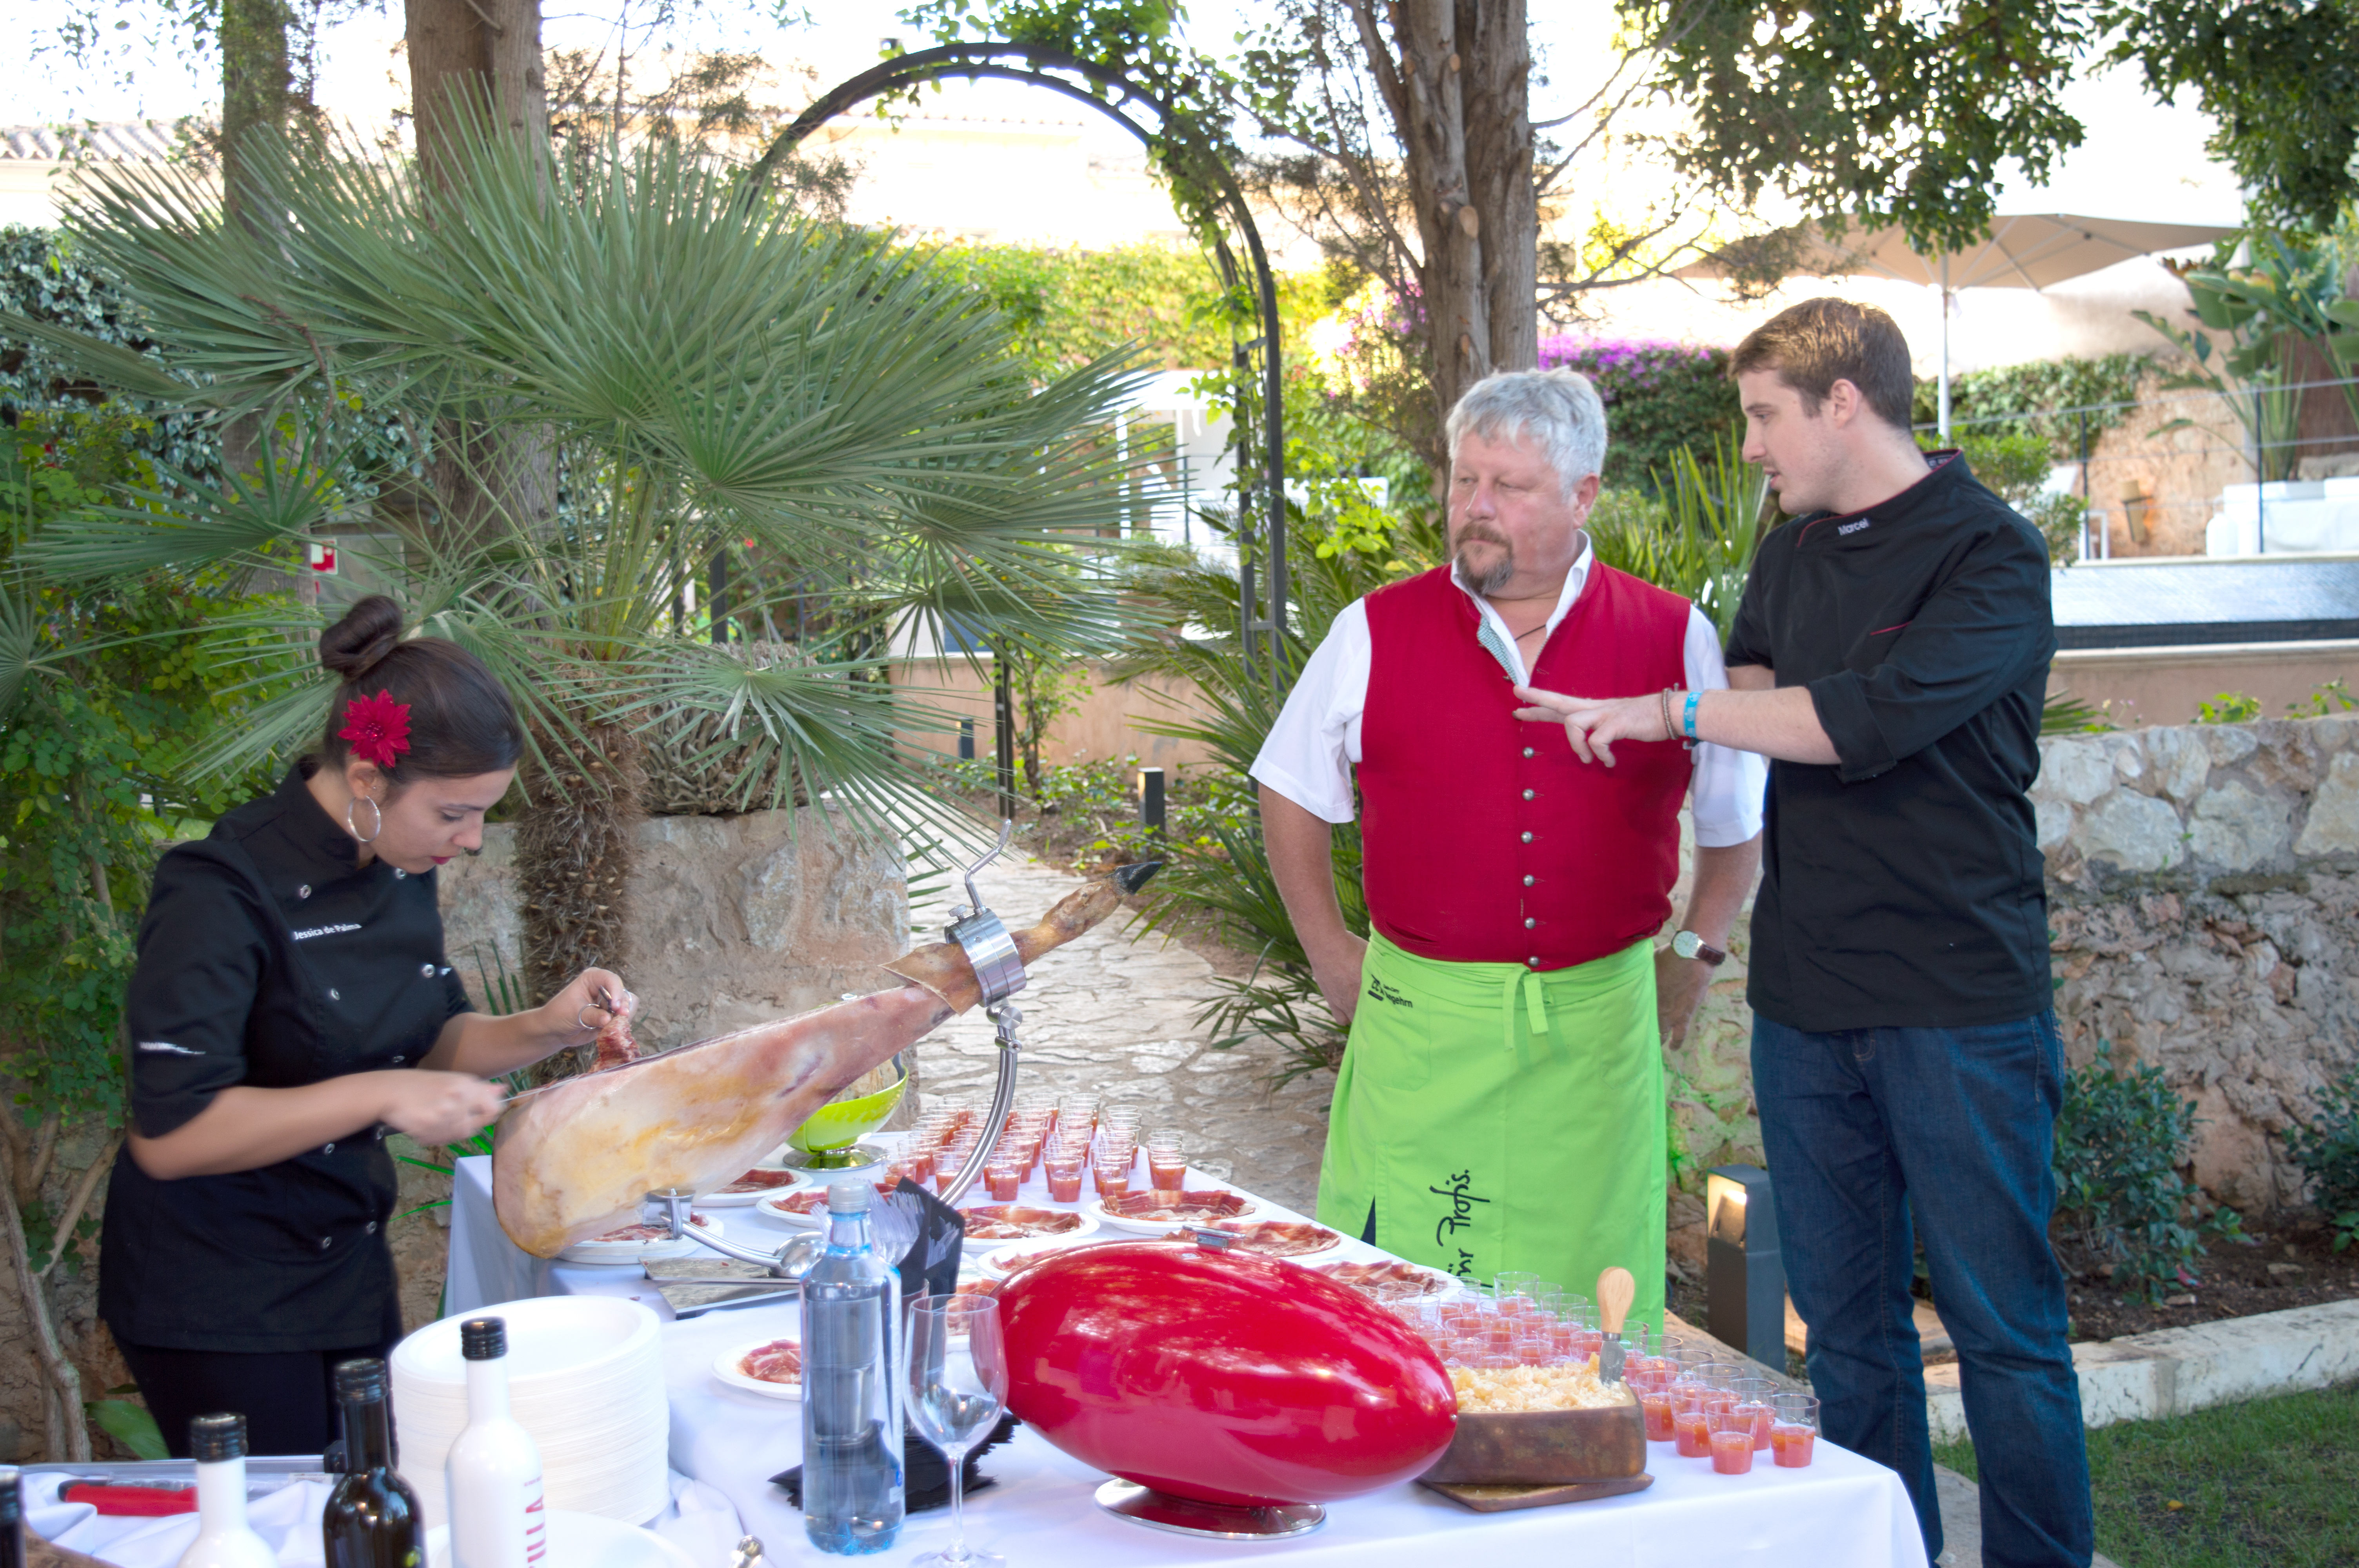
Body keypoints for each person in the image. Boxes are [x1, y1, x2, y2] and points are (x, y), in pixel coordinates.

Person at [1513, 299, 2086, 1567]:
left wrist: (1671, 710)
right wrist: (1644, 715)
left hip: (1957, 1006)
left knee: (2002, 1333)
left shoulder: (1991, 554)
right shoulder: (1788, 553)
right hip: (1808, 1009)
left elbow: (1857, 722)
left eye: (1765, 417)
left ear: (1841, 402)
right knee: (1845, 1334)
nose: (1754, 447)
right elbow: (1759, 692)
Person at [1252, 368, 1765, 1324]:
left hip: (1595, 1031)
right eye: (1462, 481)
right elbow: (1288, 788)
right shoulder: (1371, 630)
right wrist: (1328, 947)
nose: (1473, 509)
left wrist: (1694, 955)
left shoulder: (1671, 634)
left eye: (1508, 487)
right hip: (1422, 1028)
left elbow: (1735, 822)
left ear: (1582, 497)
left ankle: (1577, 1453)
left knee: (1584, 1306)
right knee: (1412, 1305)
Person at [99, 594, 626, 1458]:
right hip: (218, 1290)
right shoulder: (217, 891)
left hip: (345, 1260)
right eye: (454, 814)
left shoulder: (393, 860)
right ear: (370, 780)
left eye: (485, 811)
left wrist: (550, 1024)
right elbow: (173, 1133)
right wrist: (382, 1094)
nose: (472, 840)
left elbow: (426, 1038)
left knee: (375, 1503)